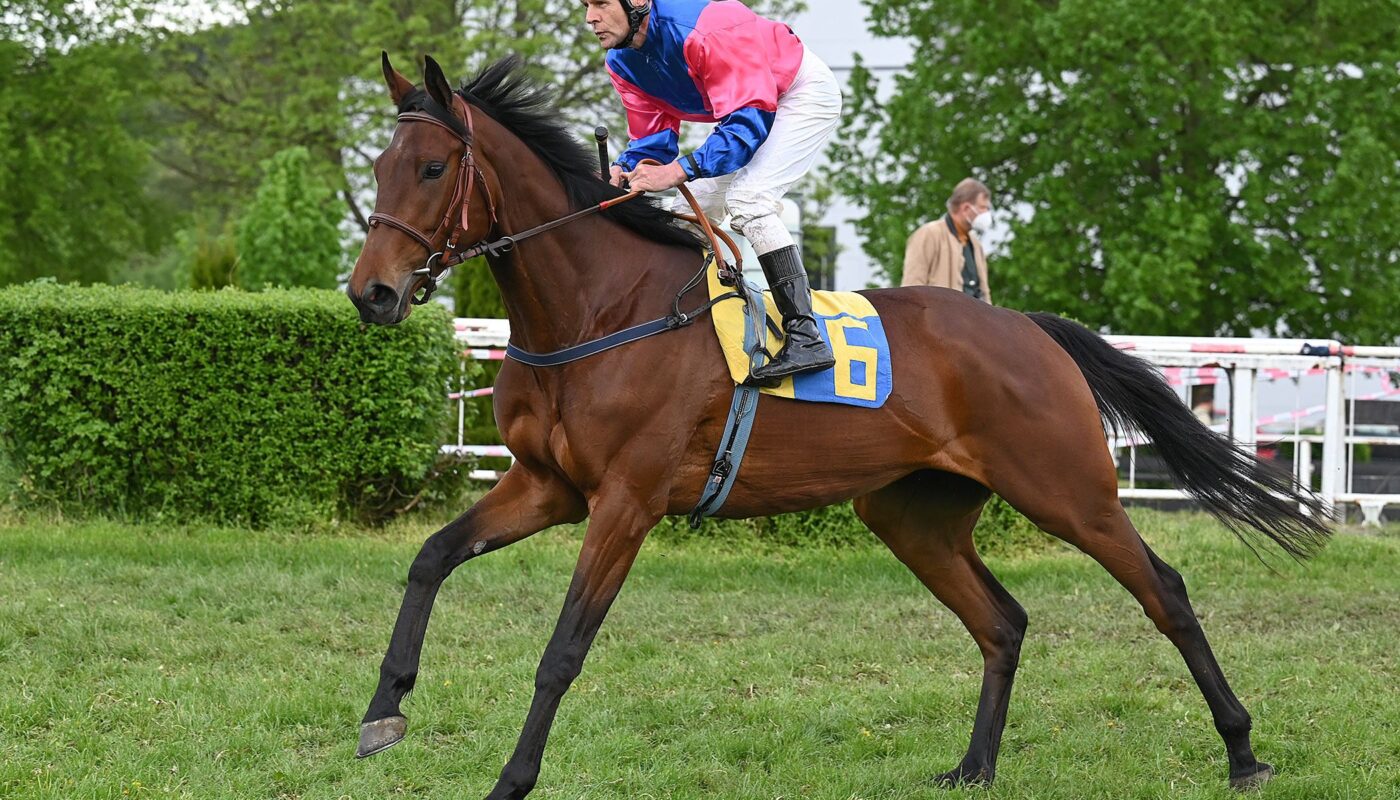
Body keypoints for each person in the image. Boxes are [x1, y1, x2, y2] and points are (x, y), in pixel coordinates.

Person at [585, 0, 842, 382]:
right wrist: (623, 168)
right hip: (748, 110)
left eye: (601, 3)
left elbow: (745, 127)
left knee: (748, 200)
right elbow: (654, 138)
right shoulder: (622, 60)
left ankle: (807, 336)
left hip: (798, 95)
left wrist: (678, 171)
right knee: (688, 212)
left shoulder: (709, 30)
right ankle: (678, 324)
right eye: (586, 5)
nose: (590, 18)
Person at [901, 178, 994, 304]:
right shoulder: (929, 234)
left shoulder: (976, 244)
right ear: (966, 208)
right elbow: (911, 288)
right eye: (983, 207)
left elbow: (983, 293)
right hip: (939, 321)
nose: (987, 213)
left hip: (974, 321)